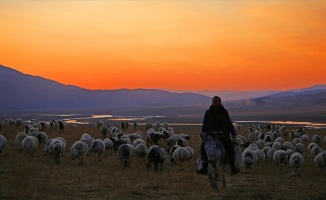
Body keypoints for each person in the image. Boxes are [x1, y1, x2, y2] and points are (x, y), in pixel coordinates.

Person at [197, 96, 240, 175]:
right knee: (203, 146)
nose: (216, 103)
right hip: (211, 135)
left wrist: (233, 133)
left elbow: (229, 123)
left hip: (223, 135)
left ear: (220, 102)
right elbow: (205, 124)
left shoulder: (224, 112)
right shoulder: (208, 112)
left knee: (230, 146)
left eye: (217, 101)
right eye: (214, 101)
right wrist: (204, 134)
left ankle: (233, 167)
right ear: (212, 102)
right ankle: (204, 168)